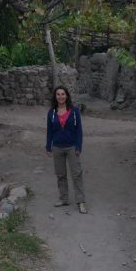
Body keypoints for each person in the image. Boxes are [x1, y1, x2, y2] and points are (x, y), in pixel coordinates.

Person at [45, 85, 87, 214]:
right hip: (57, 147)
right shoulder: (51, 113)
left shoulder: (74, 111)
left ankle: (81, 202)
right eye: (58, 94)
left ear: (67, 96)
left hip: (71, 147)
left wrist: (78, 146)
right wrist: (48, 146)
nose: (60, 96)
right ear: (55, 96)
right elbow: (50, 131)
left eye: (63, 94)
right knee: (61, 174)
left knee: (77, 174)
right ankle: (64, 199)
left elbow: (79, 131)